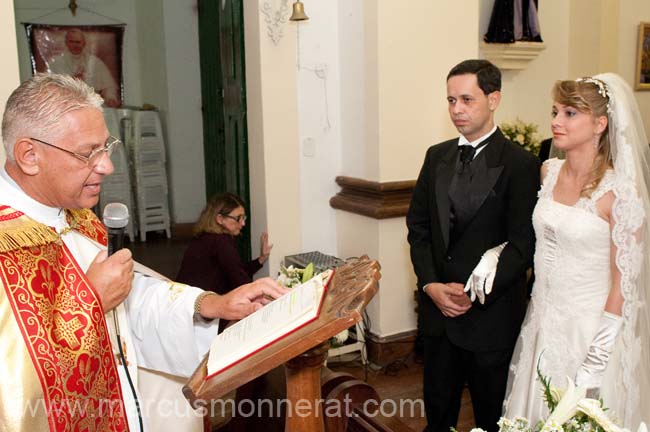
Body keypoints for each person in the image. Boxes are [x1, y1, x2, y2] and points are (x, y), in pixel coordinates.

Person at [0, 73, 287, 431]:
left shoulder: (77, 219)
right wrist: (88, 304)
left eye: (107, 147)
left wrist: (213, 304)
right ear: (30, 155)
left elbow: (126, 307)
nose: (107, 166)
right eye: (88, 153)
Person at [504, 74, 650, 430]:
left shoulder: (619, 194)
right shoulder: (548, 172)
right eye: (555, 111)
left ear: (600, 124)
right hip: (541, 321)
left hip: (590, 331)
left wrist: (596, 360)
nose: (556, 121)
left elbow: (624, 285)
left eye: (570, 113)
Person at [406, 59, 540, 432]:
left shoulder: (520, 163)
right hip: (438, 317)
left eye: (467, 99)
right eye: (450, 100)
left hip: (490, 318)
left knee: (491, 419)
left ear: (493, 99)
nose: (456, 110)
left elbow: (522, 244)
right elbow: (418, 228)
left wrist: (475, 293)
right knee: (438, 416)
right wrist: (430, 284)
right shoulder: (437, 156)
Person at [176, 192, 272, 297]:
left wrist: (261, 259)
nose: (243, 223)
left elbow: (235, 269)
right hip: (199, 306)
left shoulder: (207, 236)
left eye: (244, 217)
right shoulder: (221, 242)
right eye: (238, 218)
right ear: (220, 219)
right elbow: (241, 281)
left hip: (185, 300)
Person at [48, 28, 121, 107]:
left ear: (84, 43)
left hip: (92, 106)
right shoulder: (56, 63)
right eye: (71, 42)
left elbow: (109, 85)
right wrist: (72, 81)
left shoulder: (95, 62)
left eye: (78, 42)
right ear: (66, 43)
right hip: (65, 107)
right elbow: (50, 89)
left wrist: (110, 97)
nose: (74, 45)